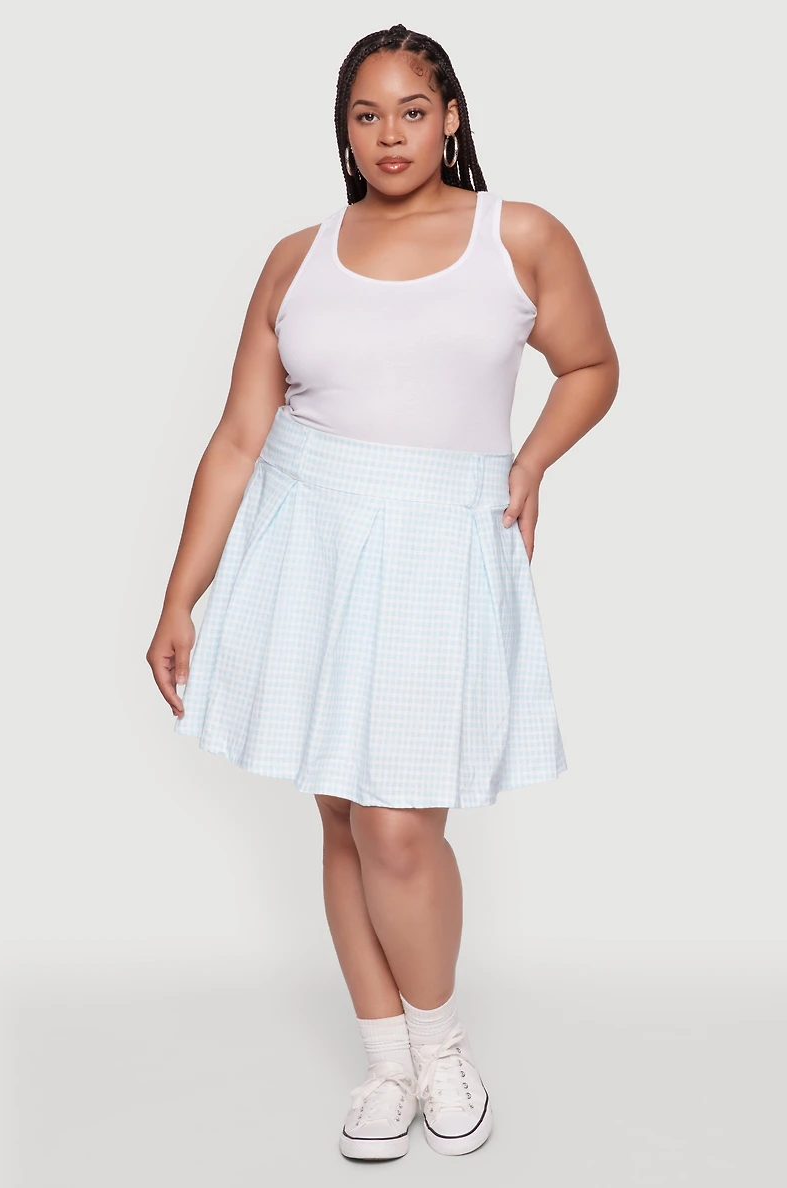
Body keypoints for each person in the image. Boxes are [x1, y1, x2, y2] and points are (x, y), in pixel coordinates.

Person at [146, 23, 619, 1162]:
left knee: (399, 825)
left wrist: (528, 463)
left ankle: (442, 1048)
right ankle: (387, 1063)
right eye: (367, 114)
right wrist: (179, 599)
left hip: (437, 545)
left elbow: (592, 366)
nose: (390, 134)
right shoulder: (296, 256)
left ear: (450, 117)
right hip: (307, 537)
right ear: (344, 129)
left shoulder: (518, 236)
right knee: (342, 814)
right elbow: (238, 437)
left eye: (412, 110)